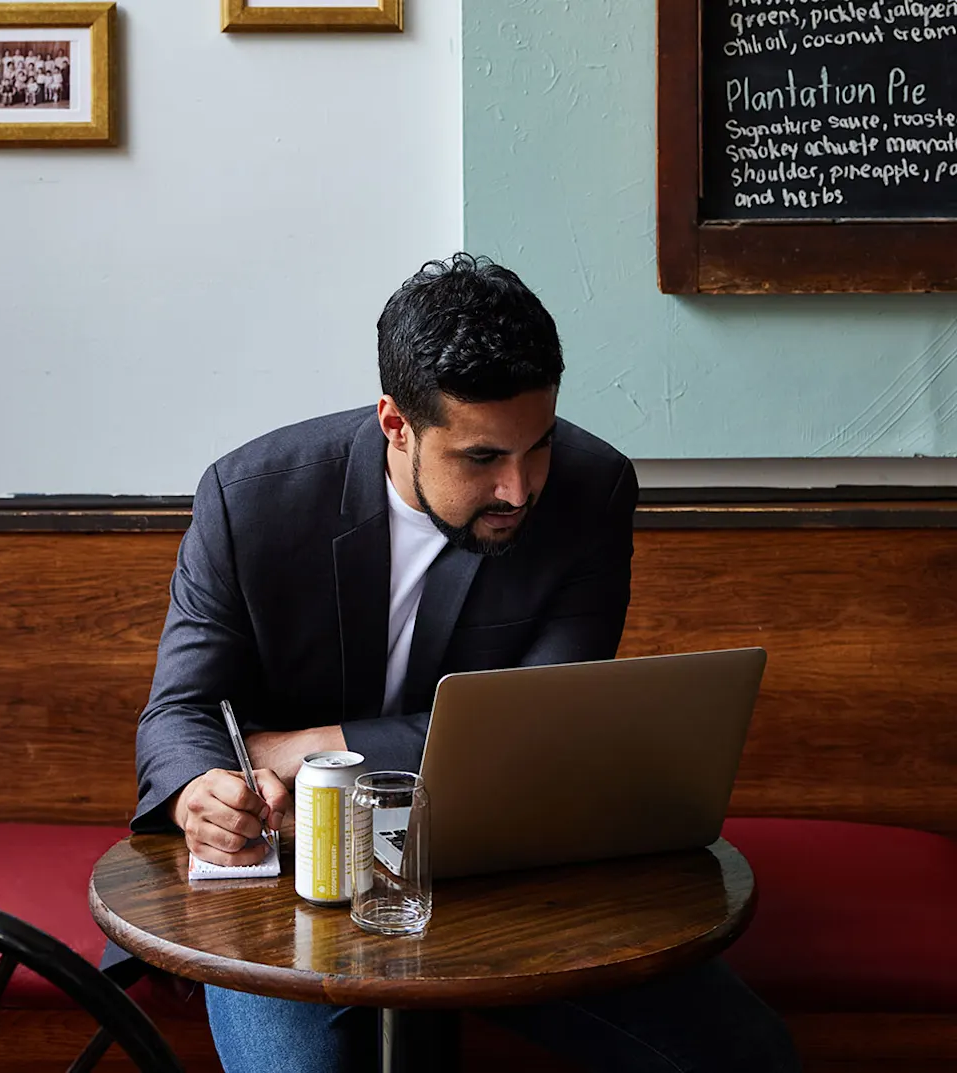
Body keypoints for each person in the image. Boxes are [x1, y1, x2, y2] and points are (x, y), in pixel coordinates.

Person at [127, 253, 800, 1073]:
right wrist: (204, 787)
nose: (521, 489)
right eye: (482, 458)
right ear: (396, 424)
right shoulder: (250, 498)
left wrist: (305, 746)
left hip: (501, 876)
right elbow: (179, 713)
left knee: (749, 1055)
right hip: (291, 884)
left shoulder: (591, 491)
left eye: (539, 444)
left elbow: (533, 726)